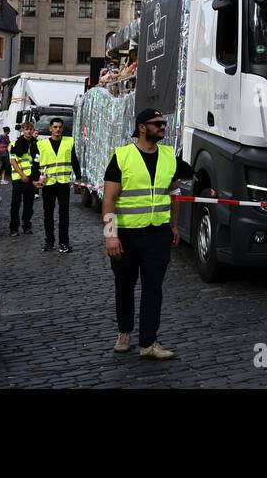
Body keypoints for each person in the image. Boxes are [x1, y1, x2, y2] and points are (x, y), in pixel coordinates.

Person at [103, 108, 192, 360]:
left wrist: (174, 226)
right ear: (142, 127)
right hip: (127, 235)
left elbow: (174, 194)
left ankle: (148, 342)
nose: (162, 126)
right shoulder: (122, 157)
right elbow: (109, 200)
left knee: (153, 288)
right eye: (157, 123)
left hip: (158, 235)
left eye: (163, 123)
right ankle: (124, 333)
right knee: (124, 285)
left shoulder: (169, 156)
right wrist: (111, 236)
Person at [35, 117, 80, 253]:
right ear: (50, 129)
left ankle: (64, 243)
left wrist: (78, 178)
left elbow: (74, 161)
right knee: (48, 214)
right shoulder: (41, 144)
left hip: (63, 183)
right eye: (55, 127)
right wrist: (35, 179)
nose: (58, 129)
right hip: (48, 184)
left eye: (60, 127)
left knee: (64, 214)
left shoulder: (69, 142)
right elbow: (36, 163)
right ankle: (49, 242)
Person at [8, 122, 38, 237]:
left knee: (29, 204)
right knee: (15, 204)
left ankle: (27, 226)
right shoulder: (14, 144)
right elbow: (12, 161)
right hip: (18, 177)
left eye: (31, 129)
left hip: (31, 177)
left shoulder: (36, 143)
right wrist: (22, 175)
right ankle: (13, 228)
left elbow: (37, 160)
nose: (29, 131)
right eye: (26, 129)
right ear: (22, 130)